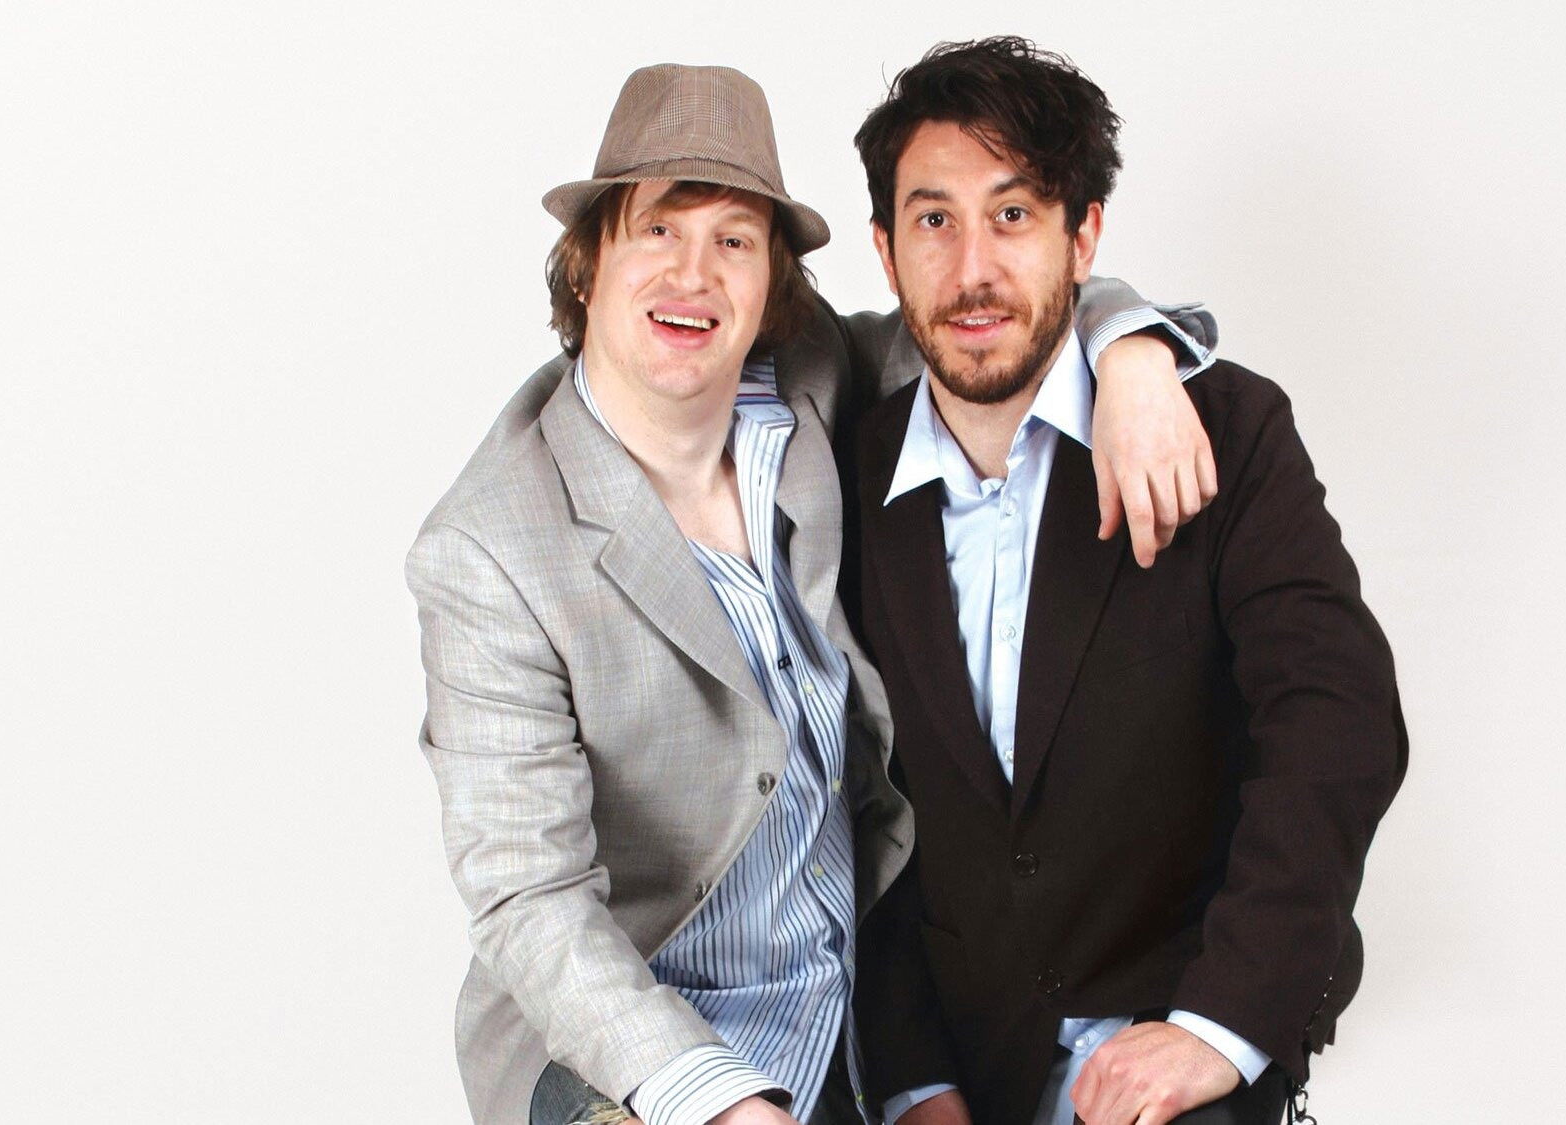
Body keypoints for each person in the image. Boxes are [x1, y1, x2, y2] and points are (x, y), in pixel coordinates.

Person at [406, 62, 1218, 1125]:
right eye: (658, 231)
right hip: (628, 1057)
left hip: (851, 1031)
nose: (693, 275)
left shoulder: (811, 381)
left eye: (734, 241)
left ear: (772, 286)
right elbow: (529, 899)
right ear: (589, 263)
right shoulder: (488, 547)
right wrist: (720, 1103)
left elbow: (981, 319)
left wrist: (1131, 353)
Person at [848, 39, 1408, 1125]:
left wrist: (1219, 1027)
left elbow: (1335, 723)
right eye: (934, 220)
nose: (971, 268)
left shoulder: (1224, 429)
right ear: (885, 250)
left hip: (1174, 1040)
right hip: (955, 1070)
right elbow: (858, 807)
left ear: (1083, 237)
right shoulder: (847, 473)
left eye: (1013, 214)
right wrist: (913, 1076)